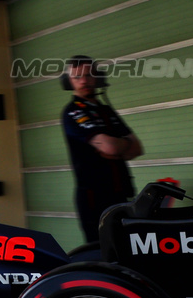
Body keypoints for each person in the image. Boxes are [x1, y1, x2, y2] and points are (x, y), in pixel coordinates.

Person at [61, 55, 143, 243]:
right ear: (69, 82)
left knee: (128, 246)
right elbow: (110, 147)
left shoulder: (106, 111)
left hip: (121, 193)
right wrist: (119, 145)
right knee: (102, 250)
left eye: (89, 75)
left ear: (98, 78)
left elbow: (136, 148)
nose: (84, 81)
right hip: (94, 198)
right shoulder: (73, 112)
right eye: (77, 77)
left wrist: (115, 147)